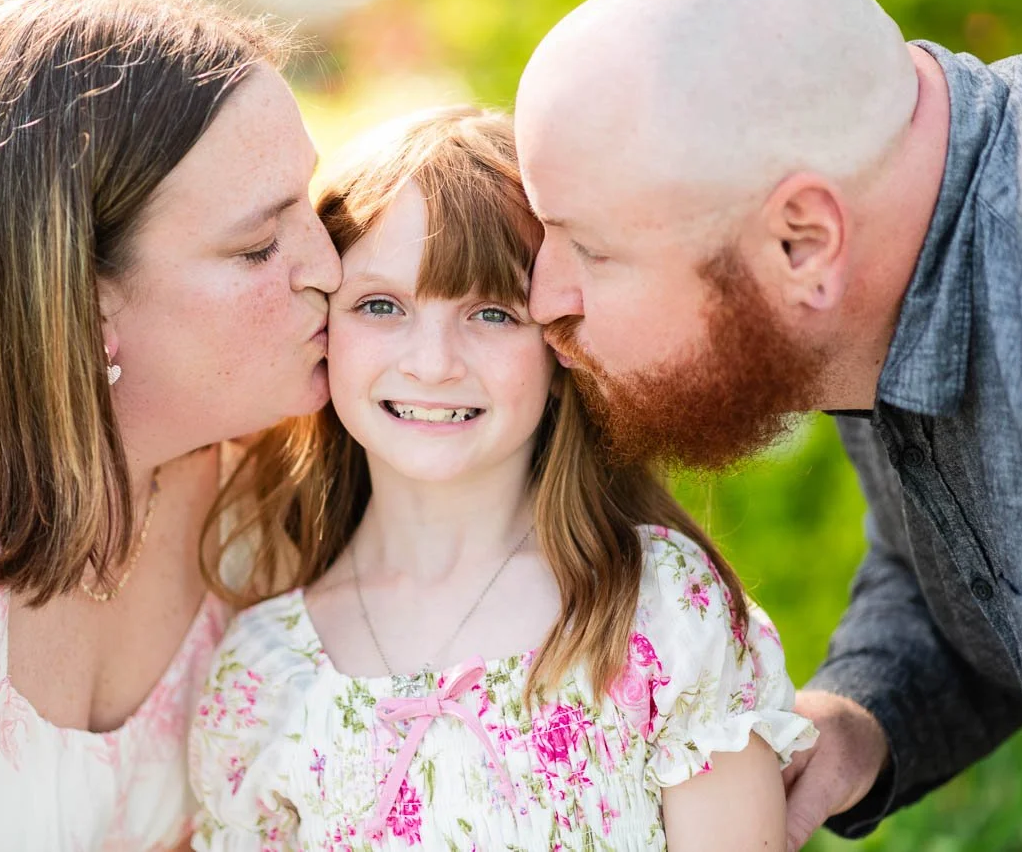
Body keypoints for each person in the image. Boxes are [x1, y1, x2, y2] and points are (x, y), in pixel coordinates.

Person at [512, 0, 1022, 848]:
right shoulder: (864, 268)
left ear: (804, 240)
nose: (543, 298)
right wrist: (862, 717)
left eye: (593, 249)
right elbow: (972, 571)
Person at [186, 106, 815, 851]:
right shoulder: (265, 672)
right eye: (381, 305)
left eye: (490, 312)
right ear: (325, 330)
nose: (433, 362)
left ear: (559, 350)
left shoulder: (657, 607)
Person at [0, 0, 340, 847]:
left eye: (309, 207)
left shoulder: (249, 504)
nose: (327, 267)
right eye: (257, 247)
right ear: (83, 300)